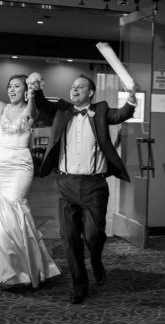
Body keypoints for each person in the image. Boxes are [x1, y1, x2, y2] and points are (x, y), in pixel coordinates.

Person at [29, 73, 136, 304]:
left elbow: (122, 114)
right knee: (69, 237)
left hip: (94, 185)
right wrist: (36, 88)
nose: (75, 89)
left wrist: (132, 97)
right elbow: (41, 105)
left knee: (93, 235)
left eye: (81, 87)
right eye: (73, 86)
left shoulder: (101, 111)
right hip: (65, 183)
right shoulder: (62, 110)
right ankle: (80, 284)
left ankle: (96, 260)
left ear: (90, 93)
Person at [0, 62, 61, 289]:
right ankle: (6, 267)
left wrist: (34, 91)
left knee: (16, 205)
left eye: (16, 86)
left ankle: (25, 267)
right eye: (9, 86)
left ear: (25, 90)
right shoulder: (0, 107)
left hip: (21, 164)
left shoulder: (31, 109)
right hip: (3, 163)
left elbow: (34, 111)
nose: (11, 90)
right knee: (4, 210)